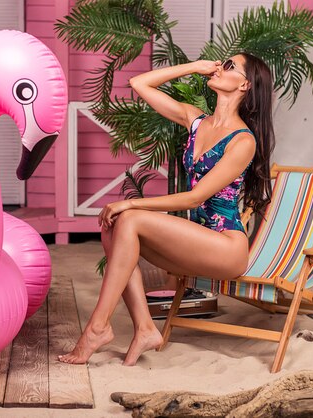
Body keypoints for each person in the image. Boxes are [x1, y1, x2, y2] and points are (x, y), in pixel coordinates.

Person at [59, 53, 275, 366]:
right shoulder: (196, 119)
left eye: (229, 64)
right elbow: (139, 83)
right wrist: (195, 66)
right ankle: (145, 328)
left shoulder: (243, 141)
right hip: (196, 240)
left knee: (128, 216)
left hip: (226, 247)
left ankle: (96, 328)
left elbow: (193, 198)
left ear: (244, 84)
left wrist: (131, 201)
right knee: (114, 225)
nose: (219, 65)